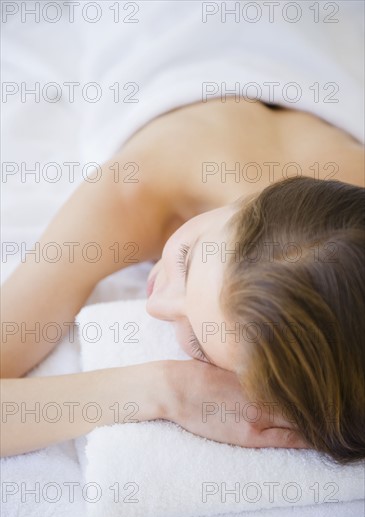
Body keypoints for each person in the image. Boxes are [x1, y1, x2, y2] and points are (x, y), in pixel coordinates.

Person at [1, 98, 364, 460]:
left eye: (196, 342)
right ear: (244, 202)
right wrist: (167, 388)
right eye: (185, 259)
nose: (155, 305)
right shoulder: (135, 188)